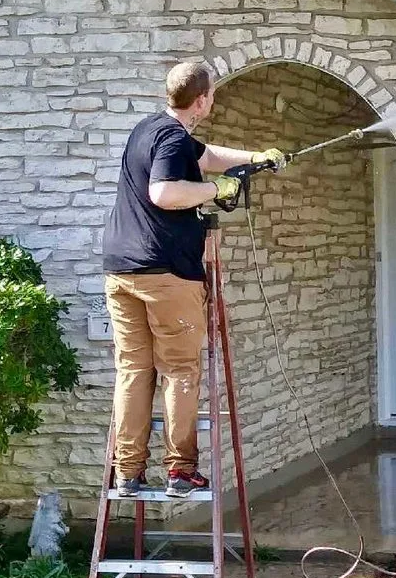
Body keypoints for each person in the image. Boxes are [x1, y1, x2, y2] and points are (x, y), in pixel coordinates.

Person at [102, 61, 285, 498]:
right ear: (202, 100)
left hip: (122, 269)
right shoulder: (170, 137)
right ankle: (181, 470)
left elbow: (204, 157)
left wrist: (255, 159)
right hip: (166, 273)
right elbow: (164, 193)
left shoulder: (151, 128)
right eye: (212, 95)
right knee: (180, 371)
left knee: (133, 370)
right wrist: (215, 190)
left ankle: (127, 472)